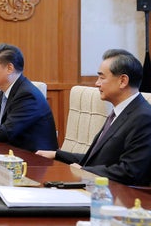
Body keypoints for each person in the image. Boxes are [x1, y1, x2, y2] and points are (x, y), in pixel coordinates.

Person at [37, 49, 151, 185]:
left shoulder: (143, 117)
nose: (97, 83)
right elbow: (95, 160)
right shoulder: (119, 112)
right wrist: (56, 154)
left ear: (123, 81)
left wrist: (85, 172)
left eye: (102, 78)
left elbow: (130, 171)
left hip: (119, 198)